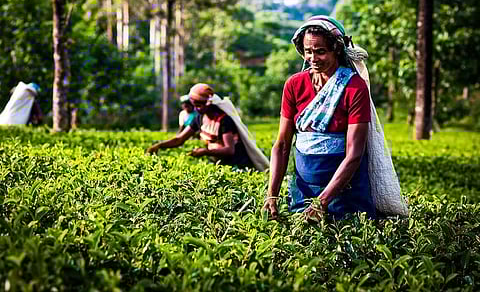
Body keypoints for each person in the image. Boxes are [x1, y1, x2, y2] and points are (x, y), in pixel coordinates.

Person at [263, 15, 408, 222]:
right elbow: (282, 145)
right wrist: (272, 194)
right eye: (308, 52)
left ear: (337, 50)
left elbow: (354, 153)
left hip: (345, 194)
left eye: (321, 52)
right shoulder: (294, 85)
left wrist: (322, 202)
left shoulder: (353, 87)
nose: (313, 58)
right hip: (304, 191)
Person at [146, 83, 270, 172]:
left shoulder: (224, 121)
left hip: (237, 165)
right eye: (195, 105)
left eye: (199, 105)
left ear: (208, 103)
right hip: (219, 164)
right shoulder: (199, 118)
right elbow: (180, 139)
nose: (196, 109)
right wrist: (160, 145)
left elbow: (229, 149)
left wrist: (205, 152)